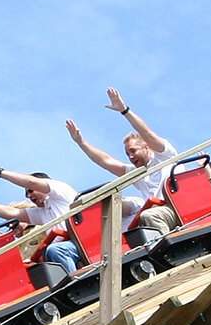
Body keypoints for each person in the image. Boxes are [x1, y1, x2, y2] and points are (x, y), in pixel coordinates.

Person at [64, 88, 179, 234]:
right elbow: (106, 161)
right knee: (136, 224)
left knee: (147, 216)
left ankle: (165, 248)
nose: (130, 157)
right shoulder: (137, 173)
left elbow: (147, 133)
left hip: (176, 206)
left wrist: (124, 110)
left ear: (146, 147)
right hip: (158, 213)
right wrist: (81, 142)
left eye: (133, 151)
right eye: (127, 154)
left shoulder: (165, 156)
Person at [0, 162, 82, 270]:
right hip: (64, 250)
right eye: (26, 194)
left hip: (79, 242)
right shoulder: (42, 212)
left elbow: (31, 182)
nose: (28, 196)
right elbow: (12, 213)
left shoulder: (60, 190)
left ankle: (75, 282)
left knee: (54, 250)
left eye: (30, 191)